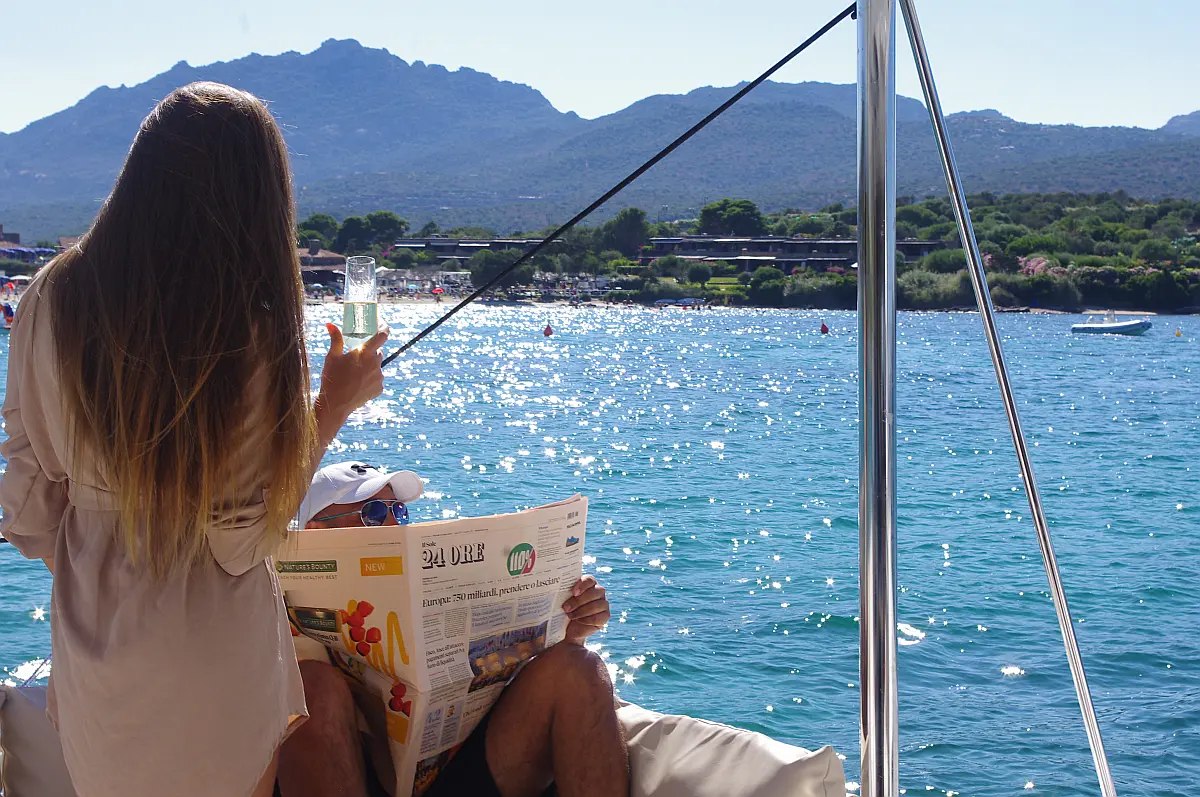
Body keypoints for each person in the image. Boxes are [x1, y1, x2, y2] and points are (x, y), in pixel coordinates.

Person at [0, 82, 388, 797]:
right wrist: (333, 404)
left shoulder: (47, 297)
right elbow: (242, 540)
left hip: (92, 645)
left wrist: (99, 559)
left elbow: (28, 495)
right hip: (214, 652)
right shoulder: (248, 328)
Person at [278, 463, 628, 797]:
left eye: (398, 511)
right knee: (311, 687)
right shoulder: (267, 598)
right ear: (316, 534)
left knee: (580, 668)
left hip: (460, 768)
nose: (392, 523)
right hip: (351, 775)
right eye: (373, 513)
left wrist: (572, 625)